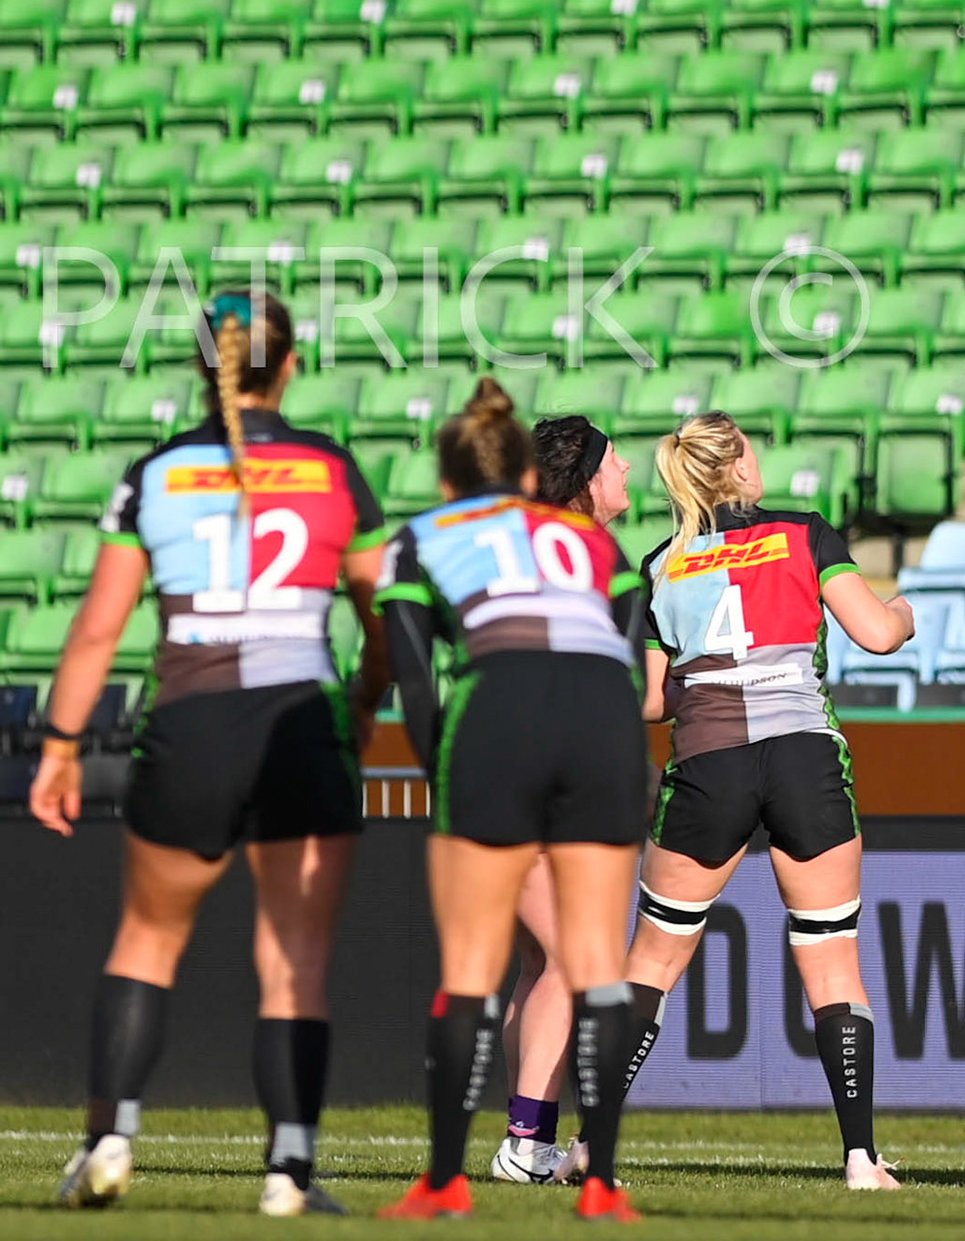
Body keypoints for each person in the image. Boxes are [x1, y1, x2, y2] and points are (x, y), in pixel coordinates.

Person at [31, 290, 388, 1217]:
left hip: (189, 725)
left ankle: (109, 1142)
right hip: (300, 726)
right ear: (292, 363)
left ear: (202, 366)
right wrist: (363, 701)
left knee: (147, 940)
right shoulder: (333, 468)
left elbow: (96, 630)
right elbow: (382, 620)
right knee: (296, 956)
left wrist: (60, 746)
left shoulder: (154, 472)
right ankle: (289, 1173)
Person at [377, 382, 648, 1223]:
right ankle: (599, 1181)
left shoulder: (426, 535)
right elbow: (628, 660)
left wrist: (445, 771)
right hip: (602, 729)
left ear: (449, 481)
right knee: (593, 962)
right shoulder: (599, 547)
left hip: (497, 716)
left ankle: (444, 1180)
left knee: (474, 967)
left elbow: (413, 677)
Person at [624, 411, 914, 1191]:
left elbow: (651, 701)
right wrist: (905, 614)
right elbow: (877, 635)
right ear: (740, 467)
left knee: (651, 962)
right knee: (831, 960)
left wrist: (709, 678)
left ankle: (592, 1150)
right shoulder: (804, 532)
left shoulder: (660, 562)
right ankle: (860, 1159)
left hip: (707, 762)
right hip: (802, 758)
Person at [491, 417, 637, 1187]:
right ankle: (524, 1143)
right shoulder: (590, 556)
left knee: (537, 963)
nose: (627, 469)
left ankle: (531, 1138)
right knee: (576, 960)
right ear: (584, 481)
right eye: (614, 461)